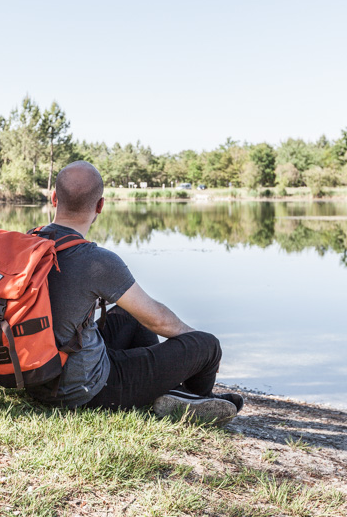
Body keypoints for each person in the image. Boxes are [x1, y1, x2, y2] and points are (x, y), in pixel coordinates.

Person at [26, 161, 243, 424]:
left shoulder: (29, 243)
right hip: (83, 388)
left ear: (54, 198)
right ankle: (195, 400)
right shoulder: (96, 260)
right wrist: (198, 347)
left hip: (35, 375)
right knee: (207, 345)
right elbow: (158, 320)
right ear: (100, 205)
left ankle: (168, 392)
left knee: (129, 315)